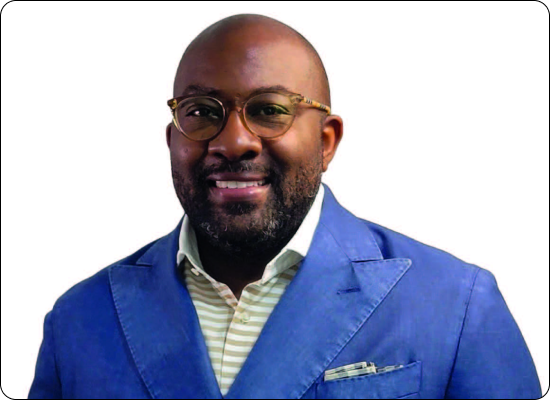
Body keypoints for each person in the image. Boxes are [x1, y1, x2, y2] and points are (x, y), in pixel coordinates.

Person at [28, 14, 541, 399]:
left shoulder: (456, 305)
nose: (234, 141)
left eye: (270, 110)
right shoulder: (79, 321)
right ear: (172, 139)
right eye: (201, 112)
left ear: (326, 141)